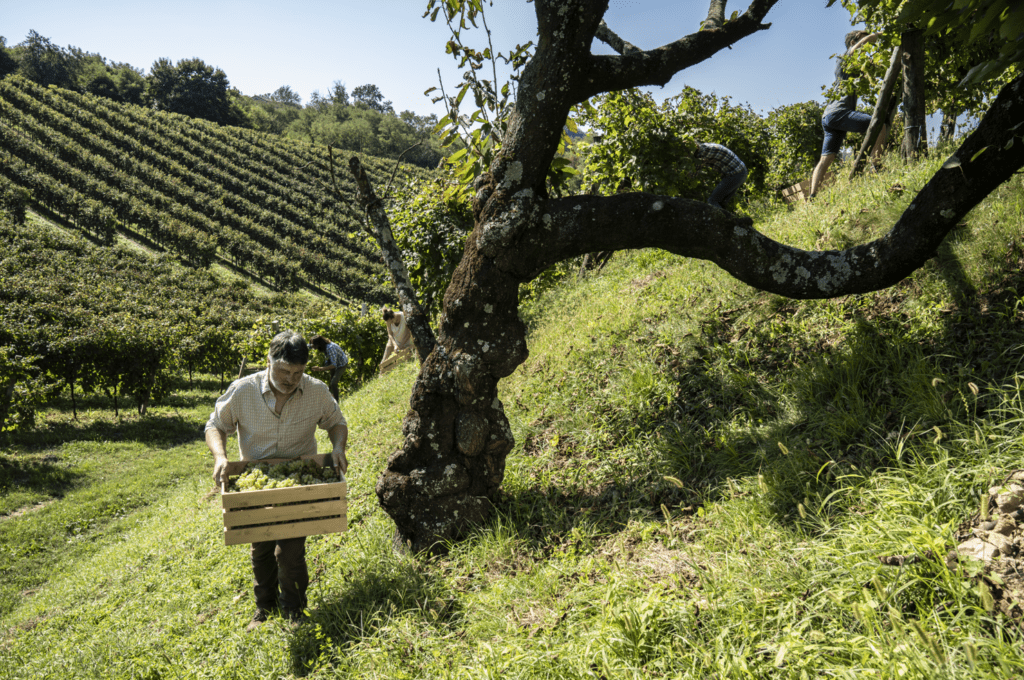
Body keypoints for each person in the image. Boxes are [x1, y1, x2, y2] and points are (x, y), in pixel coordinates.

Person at [205, 330, 348, 631]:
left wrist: (338, 448)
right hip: (258, 484)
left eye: (298, 372)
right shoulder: (243, 390)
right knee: (261, 549)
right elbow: (215, 425)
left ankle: (295, 611)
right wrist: (220, 456)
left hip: (297, 483)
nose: (291, 379)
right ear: (268, 362)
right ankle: (264, 608)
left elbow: (336, 422)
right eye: (284, 371)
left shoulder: (316, 391)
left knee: (291, 551)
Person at [809, 31, 888, 198]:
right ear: (853, 42)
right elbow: (865, 41)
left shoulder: (852, 66)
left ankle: (812, 196)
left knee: (826, 158)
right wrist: (882, 33)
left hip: (828, 116)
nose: (865, 48)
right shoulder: (846, 57)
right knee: (878, 124)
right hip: (839, 112)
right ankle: (877, 167)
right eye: (860, 42)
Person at [693, 142, 748, 211]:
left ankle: (723, 220)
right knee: (722, 203)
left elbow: (694, 172)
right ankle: (727, 220)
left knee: (712, 201)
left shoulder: (702, 153)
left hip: (735, 174)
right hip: (742, 172)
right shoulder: (705, 146)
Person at [308, 335, 348, 401]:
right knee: (331, 385)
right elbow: (308, 345)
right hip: (334, 364)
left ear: (318, 344)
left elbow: (334, 365)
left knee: (333, 383)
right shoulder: (323, 346)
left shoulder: (330, 348)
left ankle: (336, 402)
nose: (312, 346)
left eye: (313, 344)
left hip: (341, 365)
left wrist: (320, 369)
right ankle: (331, 401)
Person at [379, 307, 415, 375]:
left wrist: (401, 344)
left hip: (406, 341)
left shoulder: (403, 316)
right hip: (395, 341)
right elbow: (390, 334)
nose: (391, 323)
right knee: (387, 350)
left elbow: (409, 333)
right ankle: (381, 374)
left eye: (392, 321)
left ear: (394, 315)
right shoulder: (388, 321)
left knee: (405, 358)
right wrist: (395, 345)